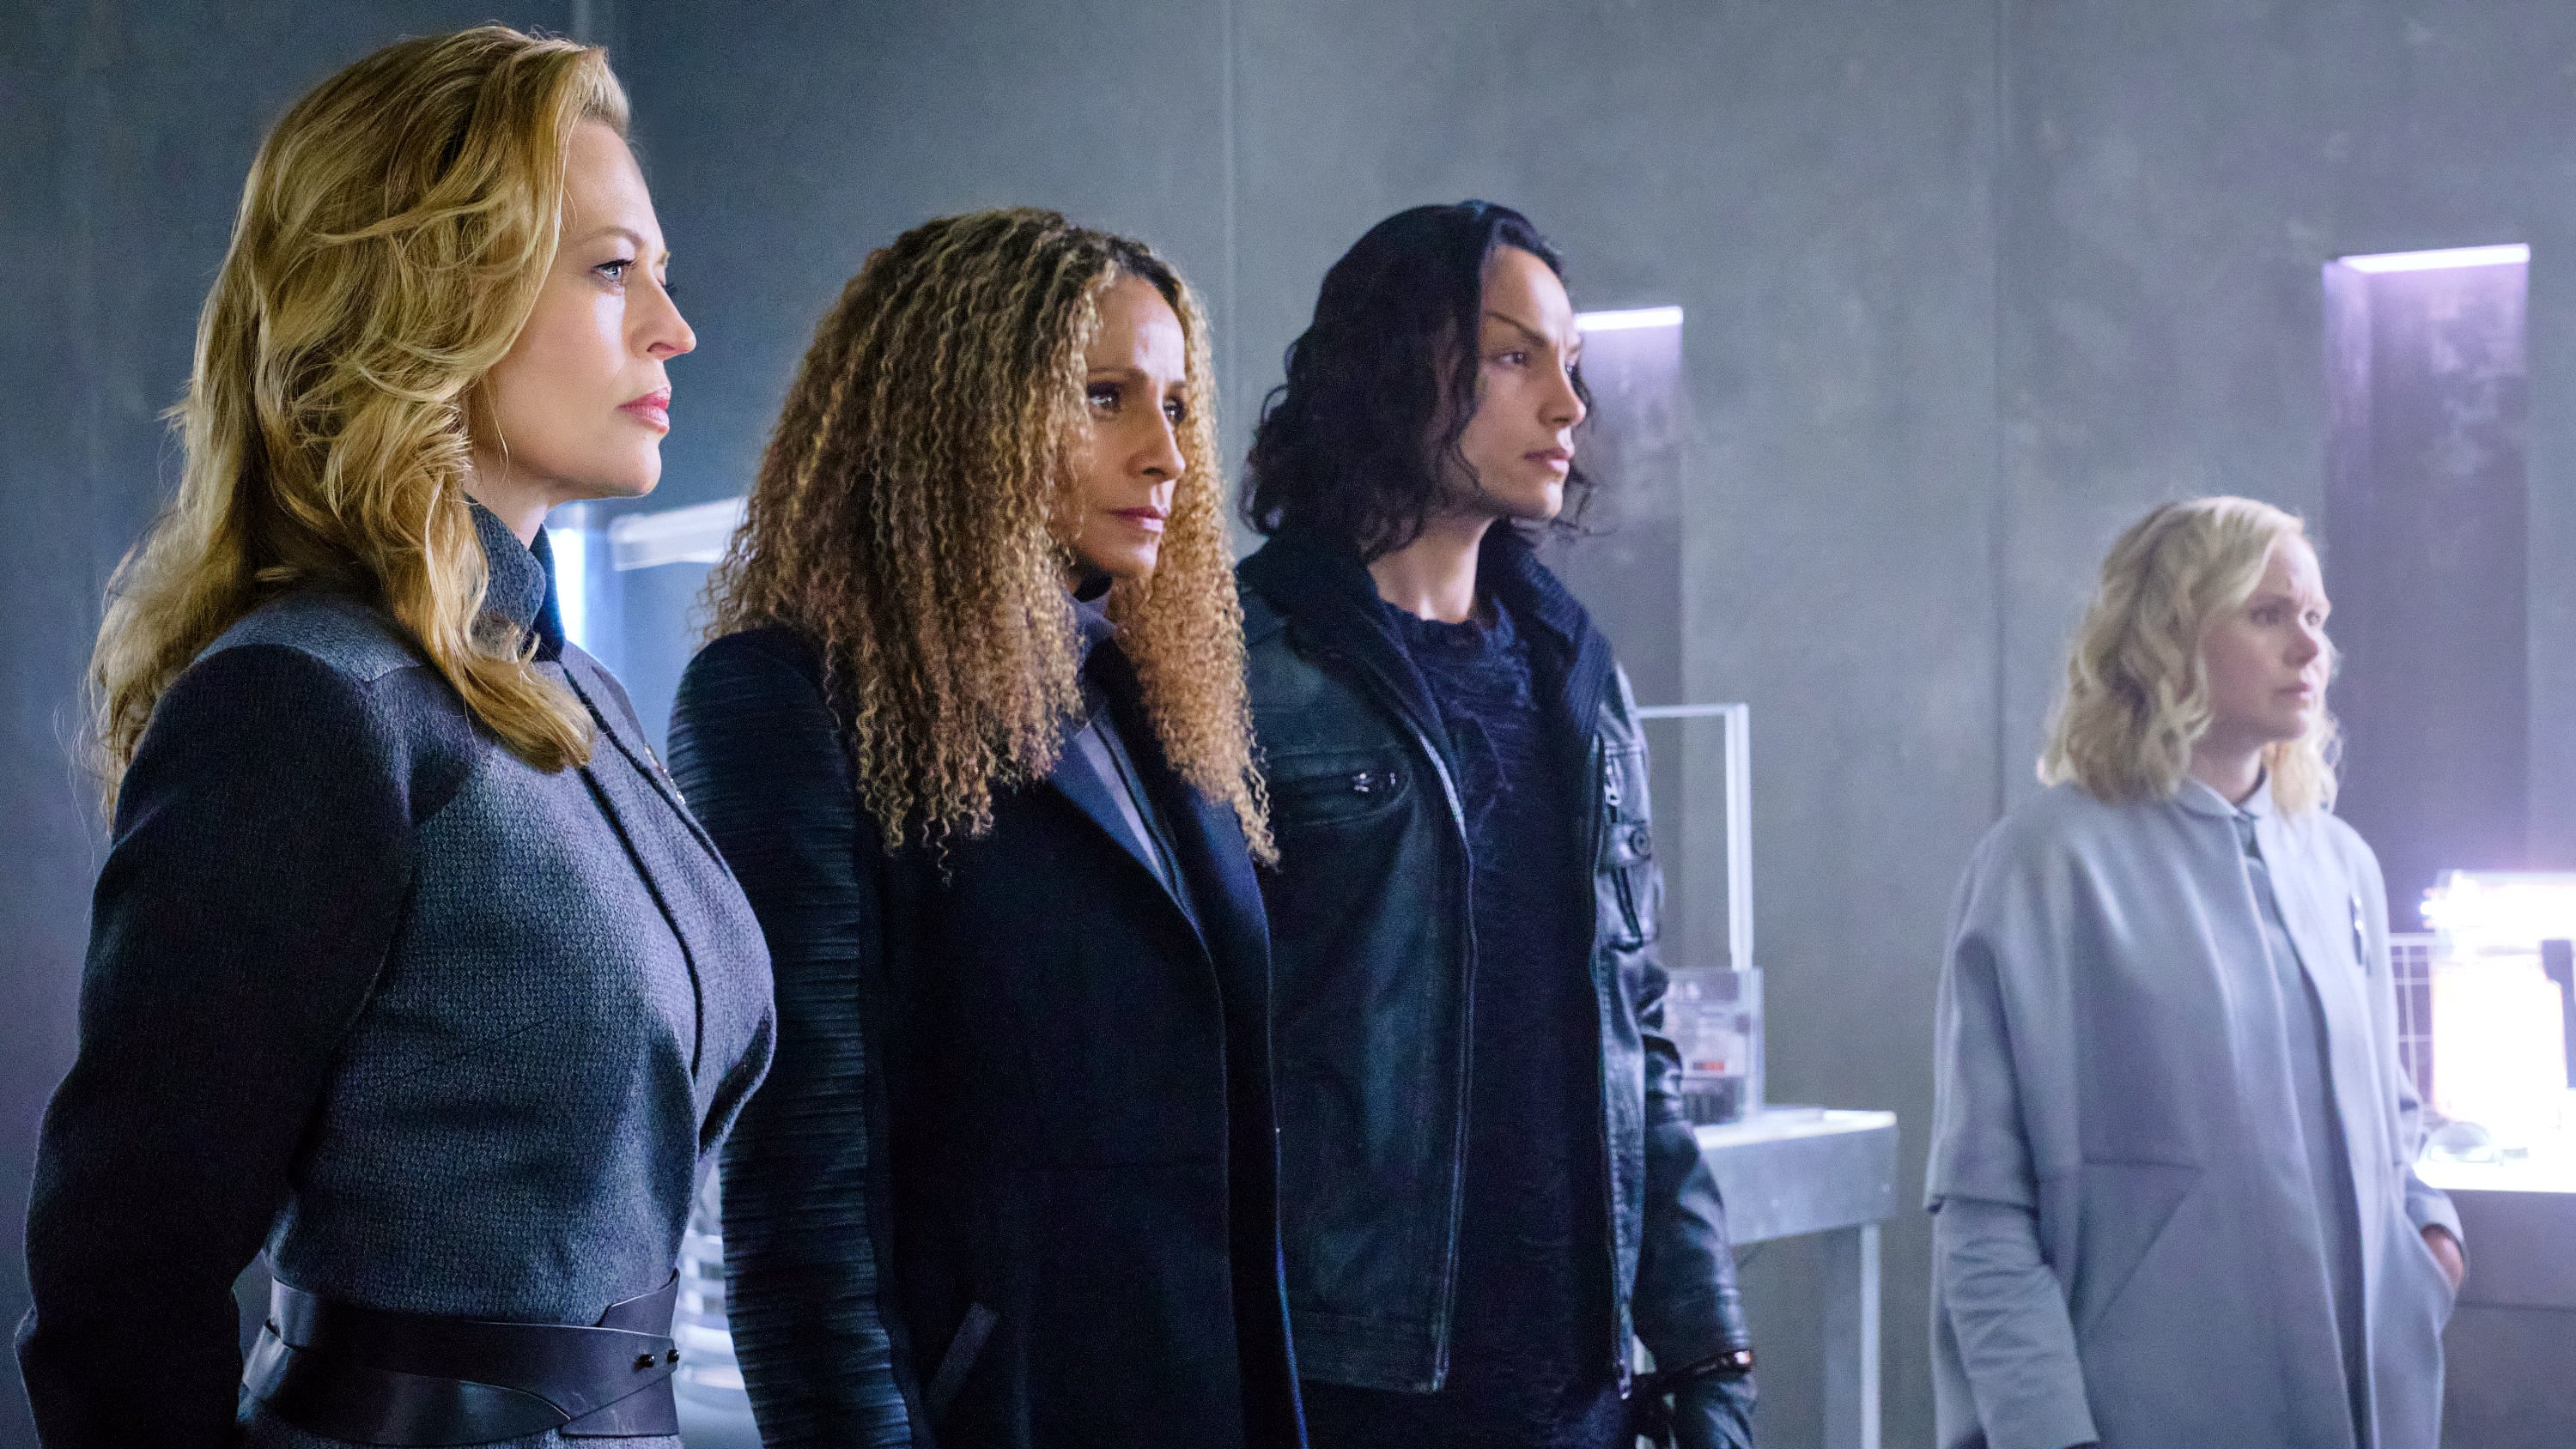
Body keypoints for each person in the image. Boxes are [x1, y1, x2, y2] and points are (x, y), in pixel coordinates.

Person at [15, 26, 773, 1448]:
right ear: (437, 292)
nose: (673, 327)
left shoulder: (578, 696)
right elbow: (122, 1285)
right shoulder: (303, 700)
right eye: (614, 271)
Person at [670, 209, 1300, 1449]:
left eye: (1176, 405)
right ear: (961, 413)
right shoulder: (790, 700)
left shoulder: (1154, 700)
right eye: (1106, 397)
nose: (1167, 454)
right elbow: (804, 1198)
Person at [1236, 200, 1755, 1449]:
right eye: (1515, 356)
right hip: (1349, 1390)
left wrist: (1708, 1349)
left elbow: (1639, 1034)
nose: (1569, 406)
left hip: (1578, 1397)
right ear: (1393, 367)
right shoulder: (1243, 663)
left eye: (1569, 364)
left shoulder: (1577, 672)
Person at [1927, 497, 2465, 1449]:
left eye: (2316, 616)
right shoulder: (2045, 866)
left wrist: (2430, 1232)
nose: (2311, 646)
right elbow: (1983, 1209)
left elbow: (2389, 1111)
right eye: (2268, 613)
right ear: (2167, 635)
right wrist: (2050, 1434)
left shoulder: (2341, 864)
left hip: (2370, 1405)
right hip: (2141, 1413)